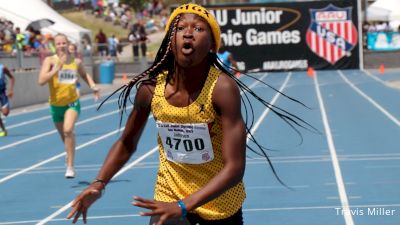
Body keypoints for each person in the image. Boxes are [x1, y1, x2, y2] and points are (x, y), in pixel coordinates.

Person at [67, 3, 314, 224]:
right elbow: (127, 142)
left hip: (220, 205)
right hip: (168, 196)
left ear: (212, 46)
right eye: (180, 28)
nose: (188, 32)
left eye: (198, 29)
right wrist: (99, 184)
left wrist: (184, 205)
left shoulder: (222, 89)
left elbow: (235, 167)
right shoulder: (151, 89)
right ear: (170, 42)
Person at [38, 33, 100, 178]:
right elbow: (41, 81)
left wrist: (93, 86)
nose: (61, 46)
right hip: (55, 105)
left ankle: (70, 166)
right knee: (65, 136)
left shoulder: (76, 62)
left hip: (72, 102)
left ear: (67, 44)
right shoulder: (49, 61)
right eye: (58, 43)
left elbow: (84, 75)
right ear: (55, 45)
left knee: (68, 130)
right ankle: (69, 154)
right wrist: (55, 69)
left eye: (63, 43)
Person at [0, 64, 15, 137]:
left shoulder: (3, 68)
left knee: (6, 113)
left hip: (2, 93)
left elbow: (12, 77)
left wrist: (11, 90)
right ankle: (3, 130)